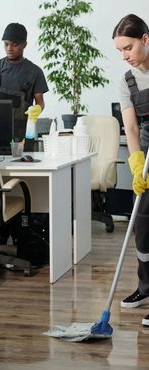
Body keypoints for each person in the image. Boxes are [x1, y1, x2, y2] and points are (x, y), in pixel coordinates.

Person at [0, 22, 49, 246]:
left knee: (20, 181)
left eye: (14, 44)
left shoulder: (34, 72)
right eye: (6, 44)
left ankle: (20, 232)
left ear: (24, 45)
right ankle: (0, 230)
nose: (9, 48)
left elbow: (40, 102)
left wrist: (37, 110)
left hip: (21, 140)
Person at [113, 14, 149, 326]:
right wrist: (137, 164)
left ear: (145, 40)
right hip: (147, 145)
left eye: (128, 47)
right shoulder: (128, 80)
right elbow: (132, 127)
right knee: (143, 220)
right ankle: (145, 286)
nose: (125, 55)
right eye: (120, 50)